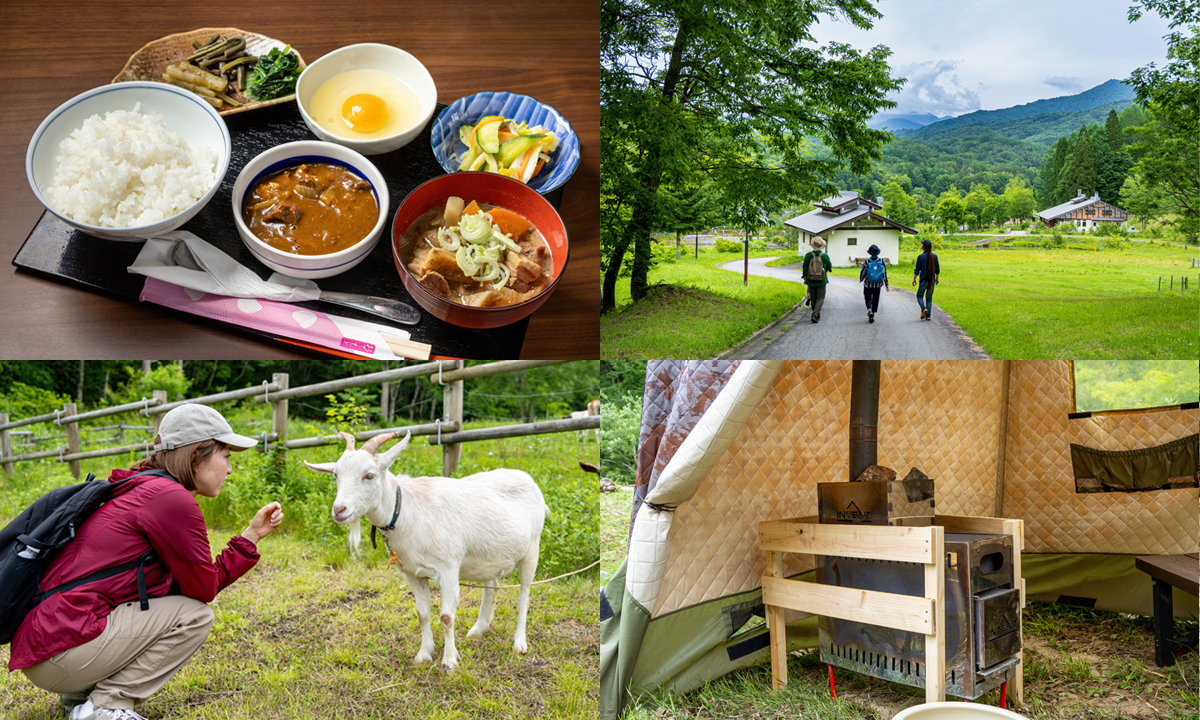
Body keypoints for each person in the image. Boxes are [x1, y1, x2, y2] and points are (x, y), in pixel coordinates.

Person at [8, 404, 284, 720]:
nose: (230, 469)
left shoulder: (140, 487)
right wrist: (247, 544)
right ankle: (106, 705)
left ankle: (81, 695)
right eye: (226, 456)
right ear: (197, 455)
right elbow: (202, 590)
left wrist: (250, 535)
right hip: (62, 654)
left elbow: (174, 586)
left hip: (47, 648)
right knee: (195, 616)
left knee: (174, 604)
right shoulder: (170, 499)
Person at [802, 236, 833, 323]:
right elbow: (829, 266)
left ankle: (815, 313)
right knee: (820, 298)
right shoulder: (825, 256)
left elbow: (805, 267)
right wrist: (826, 271)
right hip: (821, 280)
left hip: (811, 280)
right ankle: (815, 314)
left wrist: (805, 277)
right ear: (821, 245)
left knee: (813, 297)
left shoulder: (808, 255)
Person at [859, 244, 890, 323]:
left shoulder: (867, 261)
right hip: (878, 284)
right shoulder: (881, 261)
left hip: (868, 284)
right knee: (876, 299)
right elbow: (884, 273)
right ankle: (873, 313)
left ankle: (869, 310)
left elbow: (863, 272)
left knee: (868, 298)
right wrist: (886, 283)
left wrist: (861, 279)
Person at [912, 238, 940, 320]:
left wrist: (914, 279)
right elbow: (937, 269)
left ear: (923, 247)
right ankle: (928, 316)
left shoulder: (920, 257)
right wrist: (937, 278)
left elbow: (917, 270)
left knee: (919, 296)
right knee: (929, 297)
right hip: (931, 280)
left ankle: (924, 309)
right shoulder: (935, 256)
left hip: (924, 280)